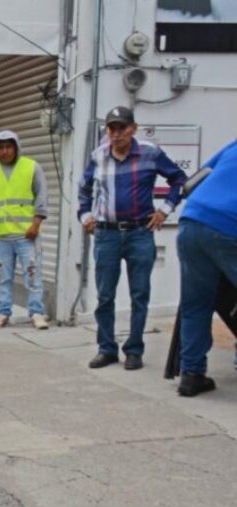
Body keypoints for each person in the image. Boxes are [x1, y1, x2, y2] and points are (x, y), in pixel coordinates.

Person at [79, 106, 187, 370]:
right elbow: (84, 189)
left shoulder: (150, 153)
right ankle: (106, 349)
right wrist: (85, 216)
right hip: (106, 234)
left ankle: (134, 350)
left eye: (122, 128)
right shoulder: (98, 156)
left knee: (140, 294)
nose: (116, 134)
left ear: (133, 128)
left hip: (140, 233)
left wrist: (164, 211)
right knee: (105, 295)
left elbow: (179, 180)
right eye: (112, 128)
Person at [174, 138, 237, 396]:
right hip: (229, 226)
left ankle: (191, 375)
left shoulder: (234, 146)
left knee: (196, 303)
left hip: (192, 220)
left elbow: (190, 184)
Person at [0, 130, 50, 330]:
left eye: (9, 147)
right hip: (0, 235)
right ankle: (2, 313)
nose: (5, 151)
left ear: (16, 148)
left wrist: (36, 224)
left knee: (33, 275)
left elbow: (42, 196)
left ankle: (36, 313)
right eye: (1, 148)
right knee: (2, 277)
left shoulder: (32, 167)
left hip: (27, 234)